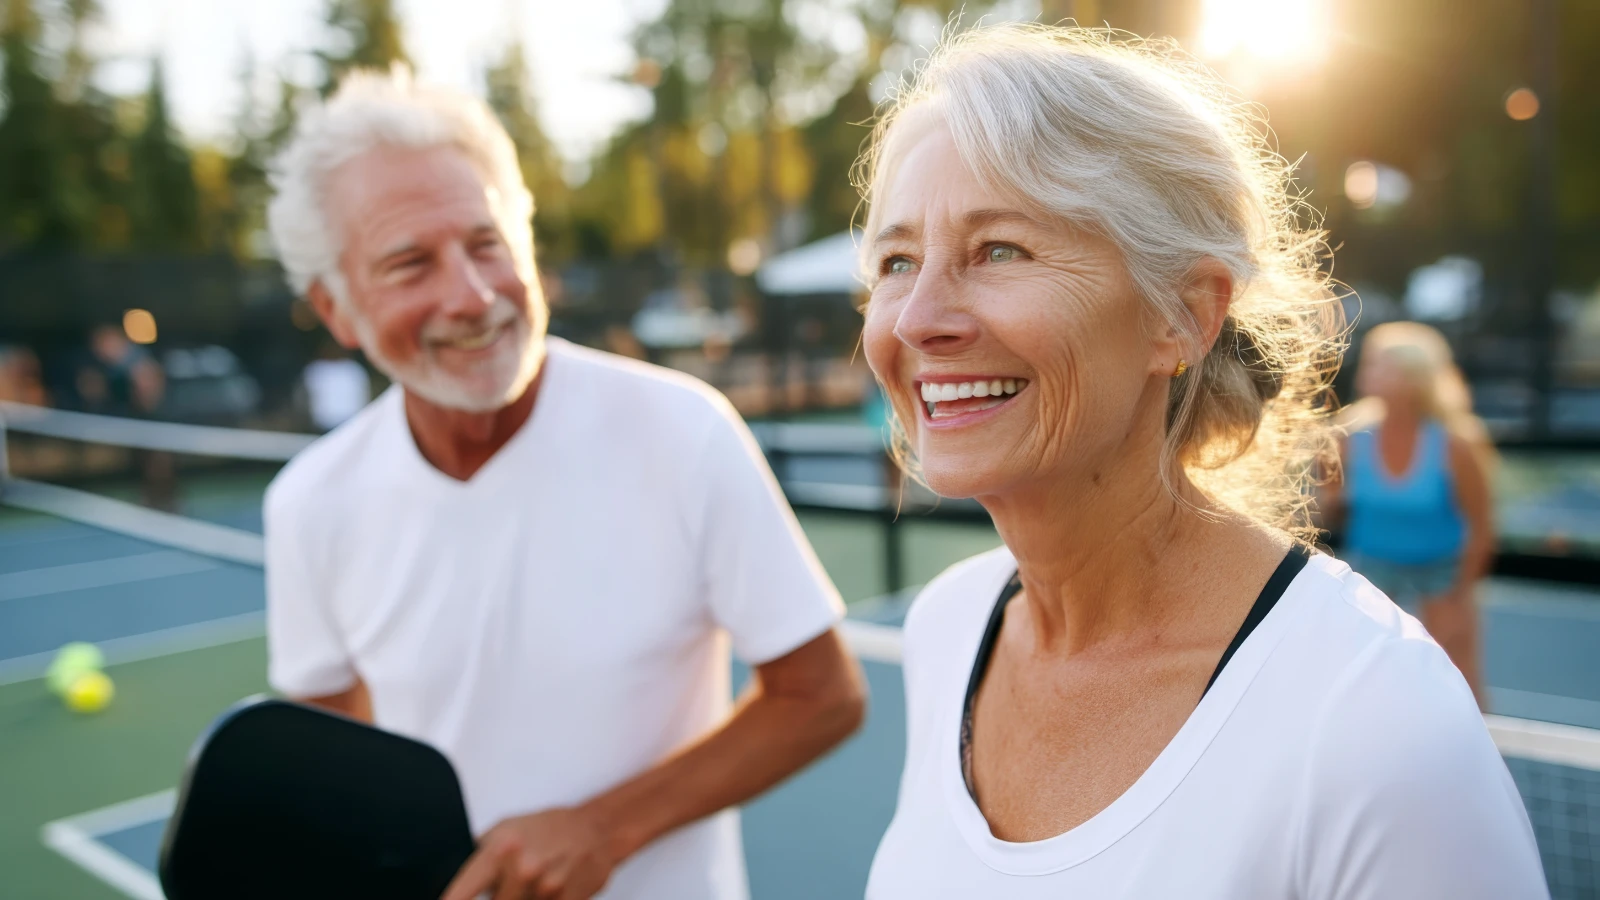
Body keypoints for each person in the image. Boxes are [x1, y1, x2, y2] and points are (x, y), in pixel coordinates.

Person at [856, 25, 1545, 898]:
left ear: (1181, 315)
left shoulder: (1374, 722)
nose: (917, 319)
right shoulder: (948, 630)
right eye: (897, 261)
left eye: (1001, 249)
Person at [262, 69, 864, 900]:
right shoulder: (307, 505)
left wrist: (602, 829)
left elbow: (824, 696)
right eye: (409, 264)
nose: (471, 298)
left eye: (486, 243)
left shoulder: (683, 432)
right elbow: (335, 764)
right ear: (335, 308)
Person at [1323, 321, 1495, 708]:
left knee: (1459, 680)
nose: (1368, 371)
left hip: (1442, 571)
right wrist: (1327, 485)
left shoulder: (1456, 444)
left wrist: (1460, 595)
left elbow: (1482, 528)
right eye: (1370, 362)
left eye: (1383, 365)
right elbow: (1329, 511)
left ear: (1415, 377)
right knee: (1367, 676)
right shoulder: (1346, 439)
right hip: (1373, 566)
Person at [301, 341, 372, 431]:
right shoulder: (316, 369)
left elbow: (363, 395)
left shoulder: (353, 369)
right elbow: (306, 397)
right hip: (324, 423)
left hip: (349, 420)